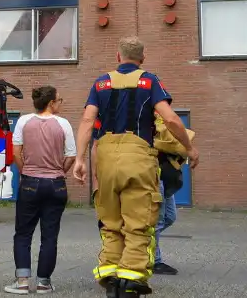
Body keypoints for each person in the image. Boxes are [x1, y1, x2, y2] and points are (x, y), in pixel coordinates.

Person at [73, 36, 194, 297]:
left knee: (111, 221)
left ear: (118, 57)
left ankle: (110, 274)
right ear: (143, 58)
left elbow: (86, 120)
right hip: (138, 159)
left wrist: (80, 160)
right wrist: (190, 148)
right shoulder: (149, 81)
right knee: (139, 222)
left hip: (105, 158)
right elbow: (170, 119)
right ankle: (131, 280)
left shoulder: (100, 82)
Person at [3, 85, 76, 295]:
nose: (61, 103)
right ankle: (44, 282)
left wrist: (26, 171)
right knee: (50, 235)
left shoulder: (24, 122)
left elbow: (16, 151)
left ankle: (23, 281)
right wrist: (60, 171)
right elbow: (71, 155)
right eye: (59, 100)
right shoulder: (63, 124)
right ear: (51, 103)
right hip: (56, 184)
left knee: (23, 234)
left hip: (30, 182)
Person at [151, 116, 197, 276]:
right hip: (155, 175)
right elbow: (172, 126)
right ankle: (154, 261)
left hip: (166, 175)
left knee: (169, 217)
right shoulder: (148, 120)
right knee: (157, 221)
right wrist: (188, 147)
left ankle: (139, 240)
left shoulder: (160, 119)